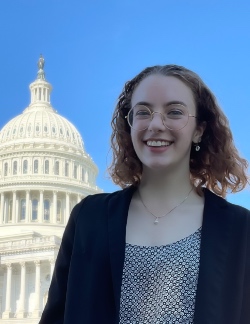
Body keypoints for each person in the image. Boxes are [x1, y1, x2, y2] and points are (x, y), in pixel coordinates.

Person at [39, 65, 249, 324]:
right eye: (143, 112)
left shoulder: (240, 229)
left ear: (199, 130)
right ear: (130, 125)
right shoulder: (88, 219)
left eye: (174, 112)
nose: (156, 124)